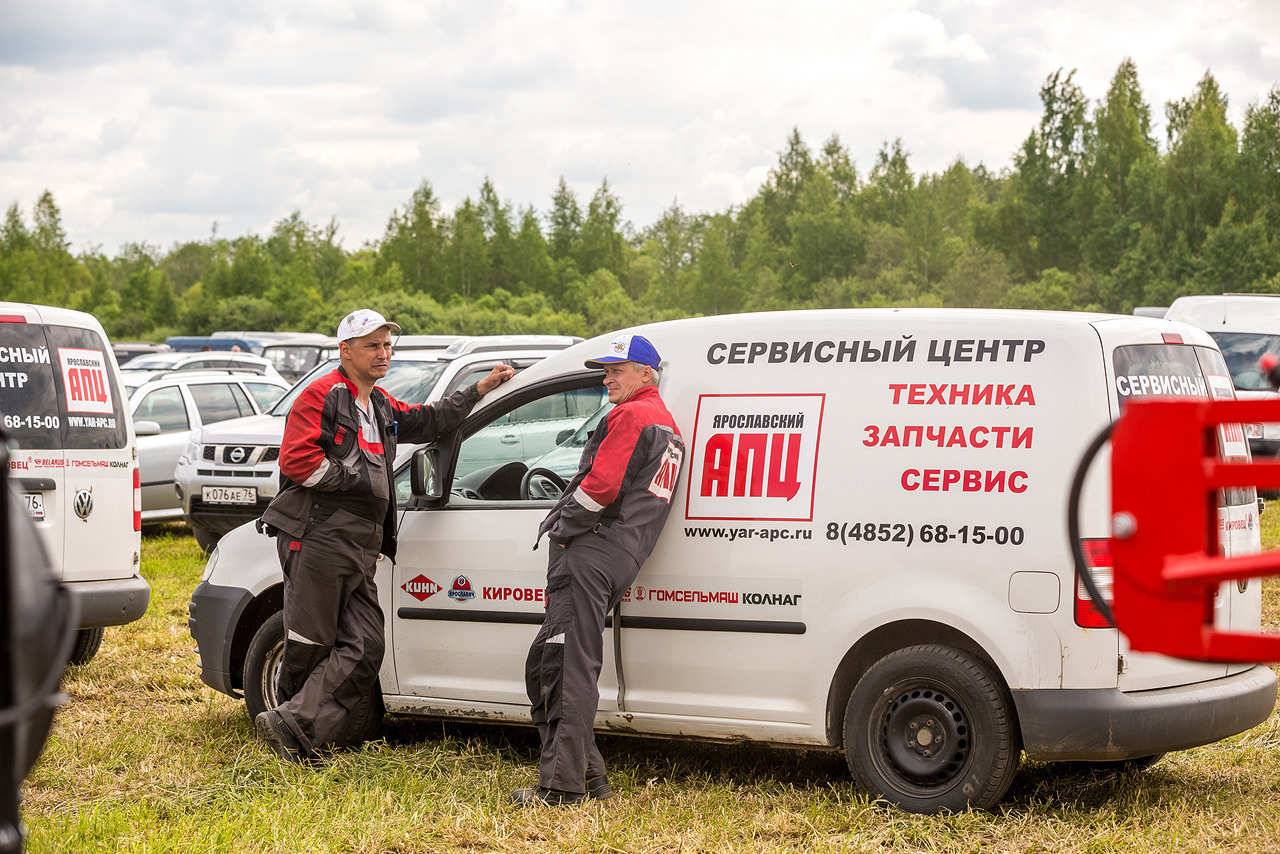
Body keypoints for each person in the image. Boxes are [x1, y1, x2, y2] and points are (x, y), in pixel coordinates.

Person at [253, 308, 514, 763]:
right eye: (372, 345)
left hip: (360, 544)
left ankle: (292, 722)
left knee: (367, 644)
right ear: (345, 351)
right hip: (318, 536)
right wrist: (354, 478)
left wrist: (479, 389)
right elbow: (297, 461)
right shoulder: (321, 395)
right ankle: (297, 740)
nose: (383, 353)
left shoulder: (379, 403)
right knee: (311, 643)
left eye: (387, 345)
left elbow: (429, 419)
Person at [513, 333, 684, 806]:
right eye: (605, 371)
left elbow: (601, 488)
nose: (607, 379)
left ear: (646, 374)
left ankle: (560, 787)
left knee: (565, 665)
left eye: (616, 370)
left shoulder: (631, 415)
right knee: (550, 661)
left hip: (590, 550)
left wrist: (563, 527)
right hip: (621, 554)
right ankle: (590, 779)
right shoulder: (666, 424)